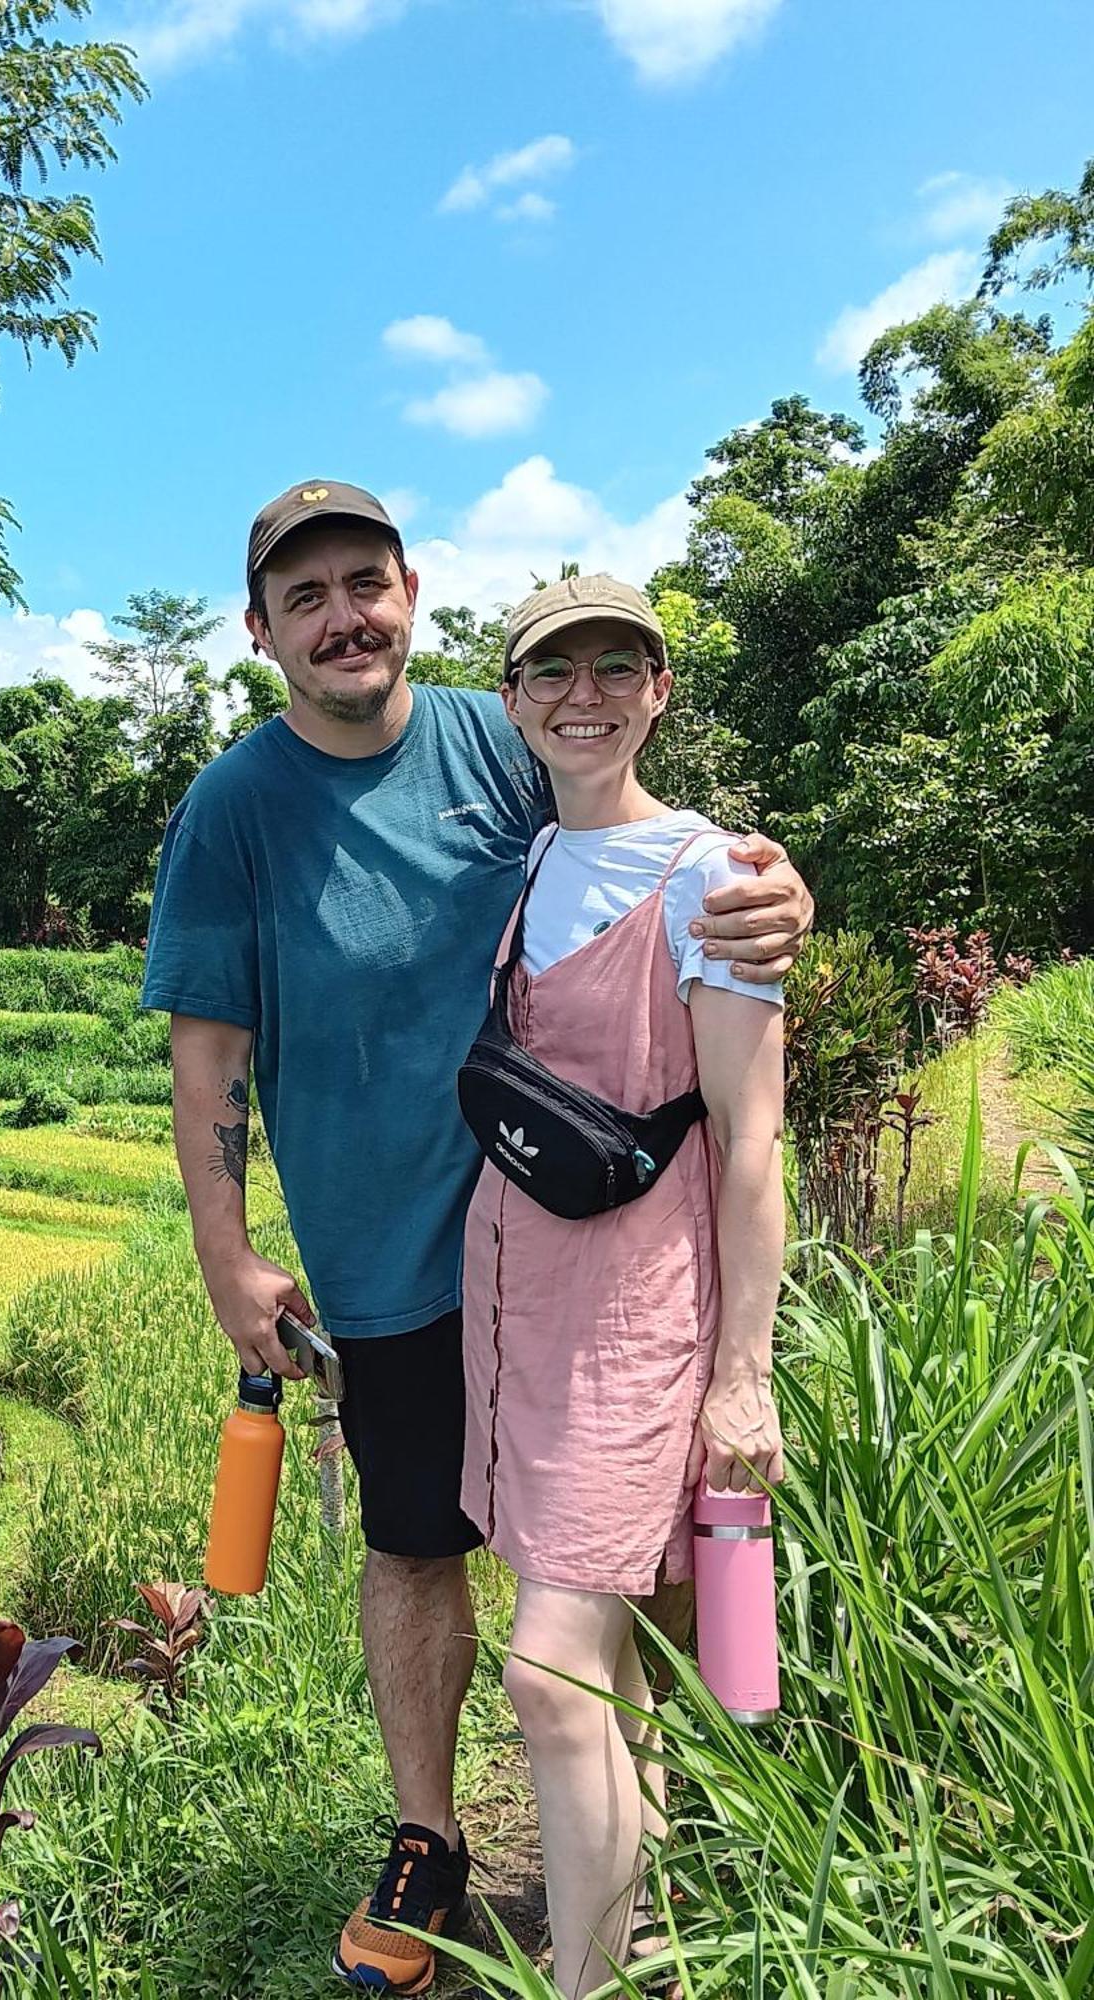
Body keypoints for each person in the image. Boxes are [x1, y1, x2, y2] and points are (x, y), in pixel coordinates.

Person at [139, 482, 811, 1994]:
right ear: (261, 634)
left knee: (604, 1576)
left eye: (362, 583)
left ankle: (666, 1831)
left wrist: (767, 893)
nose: (341, 618)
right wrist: (227, 1256)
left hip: (582, 1254)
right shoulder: (232, 810)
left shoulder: (492, 739)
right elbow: (206, 1060)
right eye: (304, 599)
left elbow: (636, 835)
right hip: (392, 1258)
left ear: (412, 591)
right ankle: (434, 1834)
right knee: (415, 1547)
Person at [463, 575, 785, 1997]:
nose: (582, 695)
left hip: (640, 1317)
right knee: (608, 1660)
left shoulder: (714, 880)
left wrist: (744, 1372)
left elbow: (753, 1141)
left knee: (544, 1669)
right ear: (516, 699)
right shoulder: (529, 862)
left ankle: (583, 1986)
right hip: (518, 1305)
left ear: (659, 691)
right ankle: (643, 1944)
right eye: (552, 673)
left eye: (616, 668)